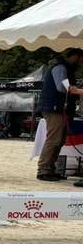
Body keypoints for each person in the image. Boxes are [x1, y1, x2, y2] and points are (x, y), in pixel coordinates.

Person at [36, 48, 83, 182]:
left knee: (60, 140)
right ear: (76, 56)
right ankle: (43, 169)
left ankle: (50, 168)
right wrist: (78, 91)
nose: (81, 63)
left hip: (58, 108)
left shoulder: (65, 69)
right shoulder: (60, 68)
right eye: (81, 59)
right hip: (54, 108)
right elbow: (62, 88)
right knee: (54, 139)